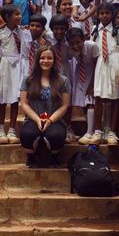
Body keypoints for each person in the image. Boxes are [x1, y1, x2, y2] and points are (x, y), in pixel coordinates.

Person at [20, 46, 70, 168]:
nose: (45, 61)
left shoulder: (62, 80)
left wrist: (50, 120)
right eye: (42, 58)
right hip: (33, 118)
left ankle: (54, 157)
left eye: (49, 58)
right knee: (27, 134)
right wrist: (37, 120)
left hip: (55, 120)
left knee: (56, 135)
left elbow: (64, 106)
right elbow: (24, 104)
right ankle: (31, 157)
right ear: (37, 60)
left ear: (54, 60)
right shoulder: (28, 80)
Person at [91, 3, 119, 145]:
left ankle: (111, 131)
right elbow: (92, 50)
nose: (104, 16)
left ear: (112, 15)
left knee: (114, 97)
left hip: (114, 62)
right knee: (99, 97)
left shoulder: (117, 30)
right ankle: (98, 130)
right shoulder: (95, 30)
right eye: (102, 13)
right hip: (100, 63)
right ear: (98, 15)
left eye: (107, 13)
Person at [0, 5, 24, 144]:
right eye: (16, 14)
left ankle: (12, 130)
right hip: (5, 66)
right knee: (2, 99)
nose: (20, 16)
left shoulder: (23, 32)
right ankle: (1, 130)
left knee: (14, 99)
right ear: (7, 17)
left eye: (20, 14)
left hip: (19, 66)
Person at [66, 28, 98, 145]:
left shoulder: (91, 46)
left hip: (92, 72)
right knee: (83, 102)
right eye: (72, 43)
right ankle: (88, 129)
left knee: (91, 101)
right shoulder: (69, 49)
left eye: (78, 42)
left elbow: (96, 65)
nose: (75, 46)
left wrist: (92, 84)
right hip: (79, 73)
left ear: (84, 39)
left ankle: (90, 132)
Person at [48, 14, 76, 143]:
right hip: (51, 71)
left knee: (66, 100)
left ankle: (68, 127)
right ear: (51, 29)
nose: (59, 31)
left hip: (65, 71)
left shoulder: (69, 42)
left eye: (62, 29)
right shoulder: (47, 40)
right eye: (56, 28)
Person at [20, 14, 48, 79]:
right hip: (23, 64)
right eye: (32, 25)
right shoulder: (23, 33)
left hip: (37, 65)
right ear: (29, 26)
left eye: (38, 26)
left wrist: (41, 36)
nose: (34, 28)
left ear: (43, 28)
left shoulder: (44, 40)